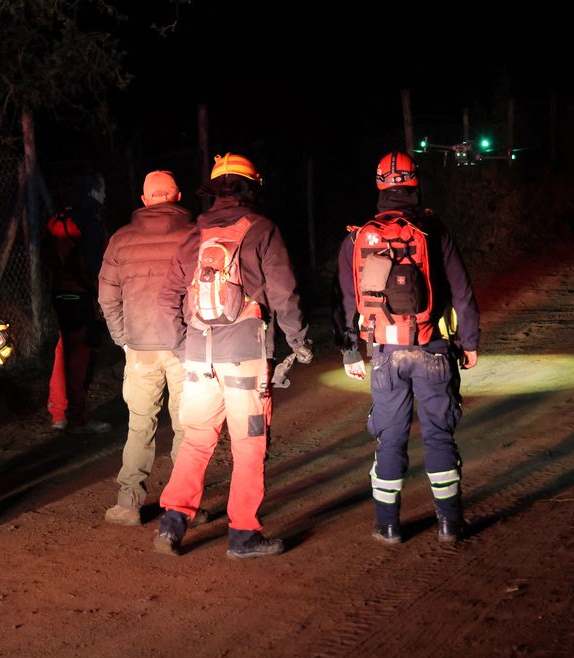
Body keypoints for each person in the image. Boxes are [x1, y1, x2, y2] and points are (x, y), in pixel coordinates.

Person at [153, 153, 313, 559]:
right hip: (245, 357)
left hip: (197, 357)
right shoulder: (262, 230)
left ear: (215, 190)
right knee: (249, 444)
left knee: (195, 441)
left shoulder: (194, 235)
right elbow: (283, 292)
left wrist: (181, 345)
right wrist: (298, 339)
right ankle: (243, 534)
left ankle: (172, 523)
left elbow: (167, 296)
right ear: (251, 187)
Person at [335, 151, 479, 545]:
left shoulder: (357, 237)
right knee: (438, 435)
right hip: (432, 347)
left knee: (391, 438)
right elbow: (462, 291)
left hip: (384, 353)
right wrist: (470, 342)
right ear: (415, 182)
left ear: (379, 185)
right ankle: (449, 524)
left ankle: (388, 526)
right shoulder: (433, 230)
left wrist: (351, 351)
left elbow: (347, 303)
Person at [98, 170, 192, 526]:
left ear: (144, 200)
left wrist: (123, 337)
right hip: (185, 345)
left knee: (140, 424)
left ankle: (129, 502)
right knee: (187, 426)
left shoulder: (121, 240)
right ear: (178, 196)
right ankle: (183, 505)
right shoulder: (194, 235)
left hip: (140, 347)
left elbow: (107, 297)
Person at [43, 176, 112, 435]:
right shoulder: (90, 221)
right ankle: (78, 417)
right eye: (103, 191)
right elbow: (95, 265)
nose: (105, 197)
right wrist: (99, 295)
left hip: (59, 292)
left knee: (64, 351)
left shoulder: (56, 218)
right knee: (81, 358)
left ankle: (59, 412)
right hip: (83, 295)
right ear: (94, 192)